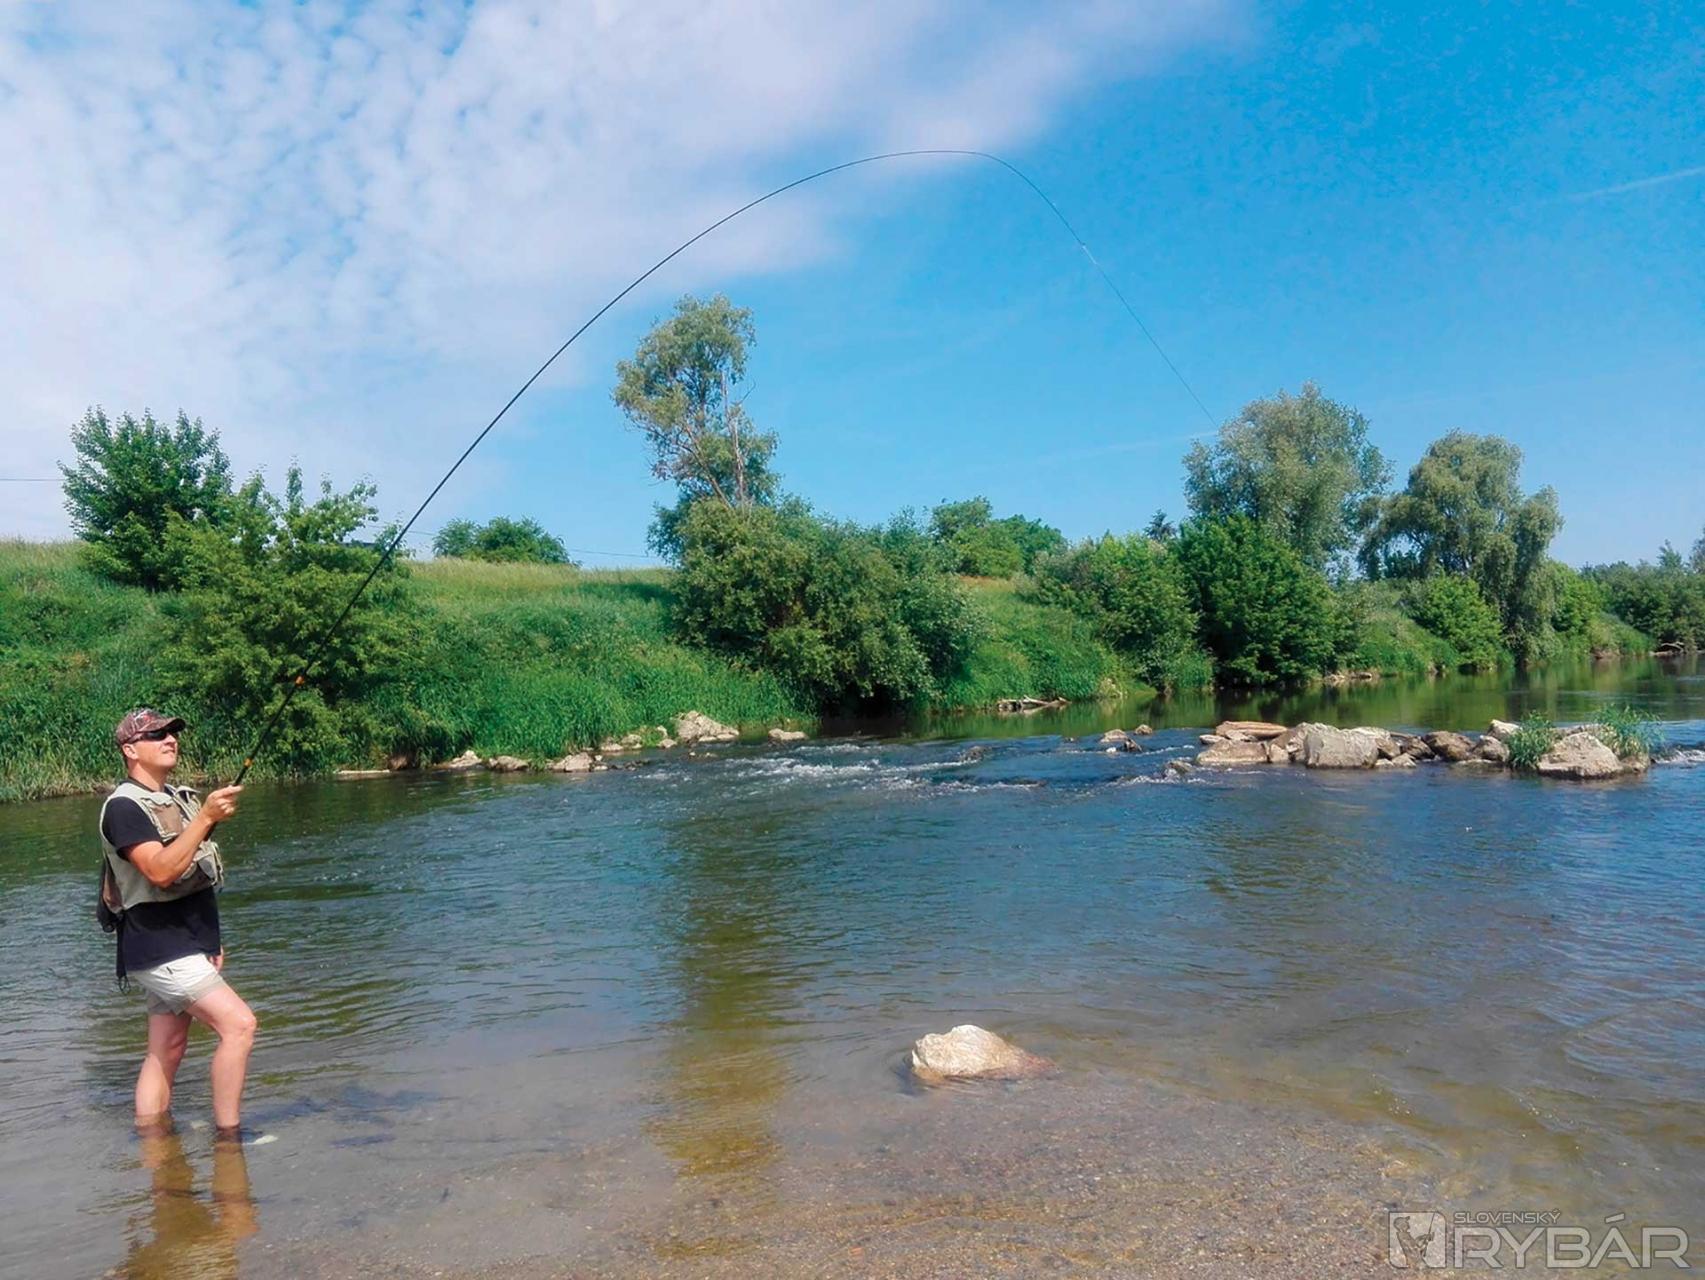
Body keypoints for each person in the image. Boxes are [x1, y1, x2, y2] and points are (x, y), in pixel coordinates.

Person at [99, 708, 255, 1137]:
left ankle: (154, 1143)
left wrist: (210, 941)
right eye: (156, 735)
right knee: (239, 1026)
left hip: (183, 943)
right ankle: (229, 1139)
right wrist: (206, 818)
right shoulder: (124, 808)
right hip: (158, 945)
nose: (170, 739)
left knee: (166, 1048)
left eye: (172, 733)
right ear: (130, 750)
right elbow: (161, 871)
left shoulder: (175, 798)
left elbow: (193, 876)